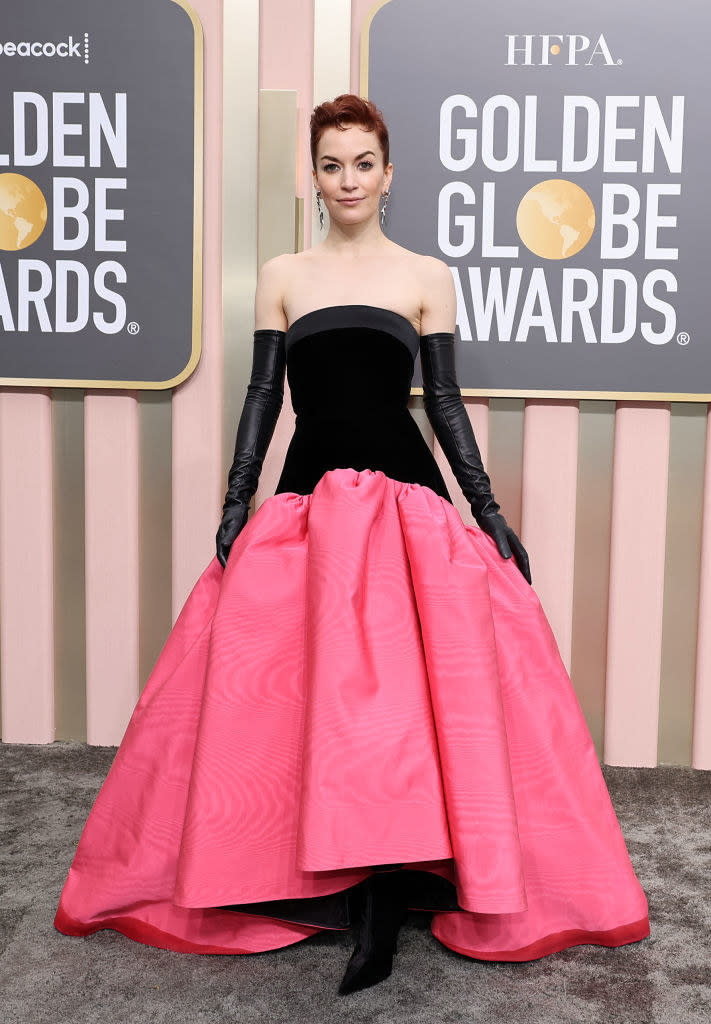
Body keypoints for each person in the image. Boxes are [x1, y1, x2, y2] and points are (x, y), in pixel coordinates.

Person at [54, 94, 650, 998]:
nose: (347, 181)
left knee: (402, 710)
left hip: (406, 503)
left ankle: (388, 895)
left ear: (387, 171)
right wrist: (237, 493)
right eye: (331, 165)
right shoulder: (284, 273)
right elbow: (264, 394)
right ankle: (321, 883)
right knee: (292, 698)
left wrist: (486, 512)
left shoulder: (424, 274)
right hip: (306, 504)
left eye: (362, 163)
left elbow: (442, 404)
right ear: (314, 174)